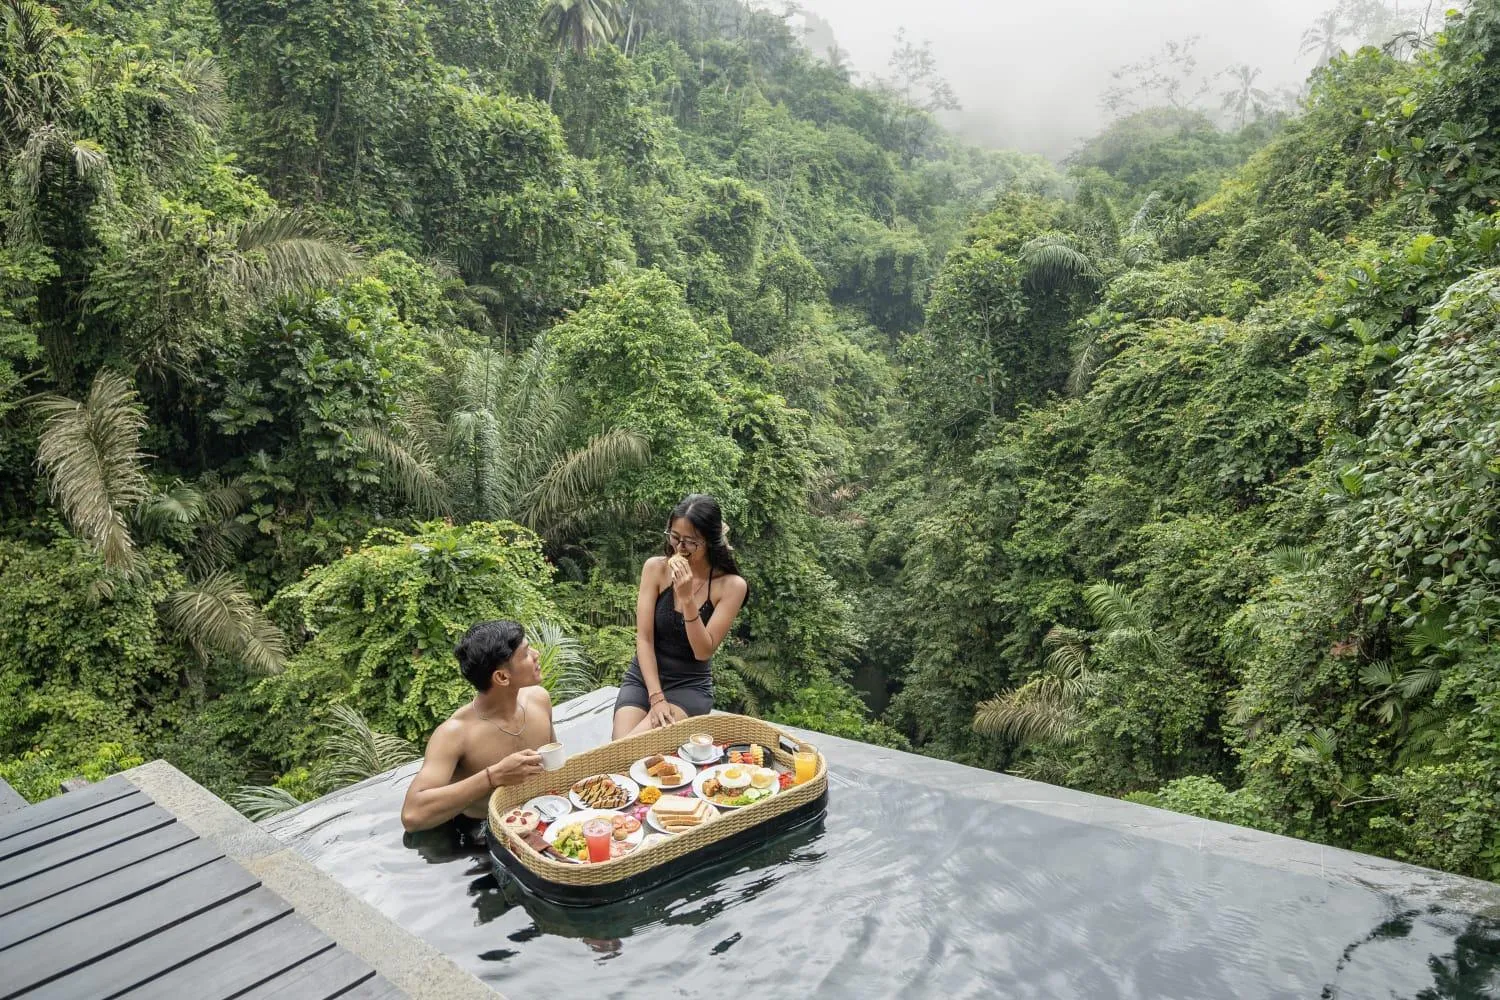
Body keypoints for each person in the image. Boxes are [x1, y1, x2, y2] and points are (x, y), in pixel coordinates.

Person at [400, 620, 556, 842]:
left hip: (545, 814)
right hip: (484, 834)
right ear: (502, 677)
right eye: (525, 654)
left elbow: (554, 766)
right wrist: (493, 777)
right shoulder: (455, 734)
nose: (536, 654)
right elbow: (412, 815)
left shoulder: (539, 699)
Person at [612, 494, 748, 739]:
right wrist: (656, 697)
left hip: (688, 684)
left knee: (635, 747)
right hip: (645, 677)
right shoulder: (655, 568)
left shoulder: (731, 586)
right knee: (618, 747)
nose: (680, 548)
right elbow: (644, 639)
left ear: (710, 542)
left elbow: (703, 651)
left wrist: (687, 599)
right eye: (675, 538)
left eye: (690, 542)